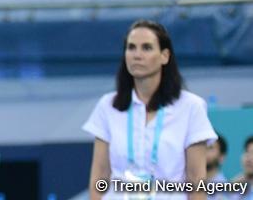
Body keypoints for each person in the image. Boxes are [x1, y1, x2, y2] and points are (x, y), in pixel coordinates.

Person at [84, 20, 215, 200]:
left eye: (146, 48)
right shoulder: (107, 106)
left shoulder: (191, 107)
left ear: (164, 56)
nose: (137, 55)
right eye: (131, 48)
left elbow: (196, 182)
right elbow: (99, 178)